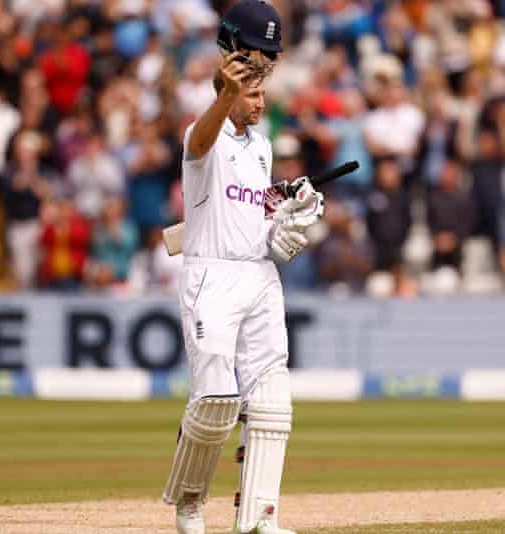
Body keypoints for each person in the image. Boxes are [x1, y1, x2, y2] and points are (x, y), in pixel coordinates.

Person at [161, 3, 323, 534]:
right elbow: (202, 142)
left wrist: (290, 230)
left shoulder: (262, 147)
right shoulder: (201, 137)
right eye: (250, 93)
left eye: (260, 93)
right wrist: (226, 93)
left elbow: (262, 229)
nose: (259, 101)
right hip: (212, 278)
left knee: (272, 402)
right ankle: (189, 502)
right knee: (214, 403)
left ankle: (258, 519)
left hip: (259, 277)